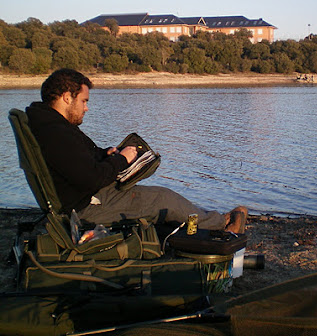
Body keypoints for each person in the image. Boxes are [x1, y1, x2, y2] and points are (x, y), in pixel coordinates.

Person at [26, 68, 247, 233]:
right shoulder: (56, 132)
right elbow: (91, 178)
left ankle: (211, 218)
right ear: (67, 97)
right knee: (162, 199)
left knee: (157, 194)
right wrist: (122, 160)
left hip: (87, 197)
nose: (86, 107)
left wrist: (105, 154)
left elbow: (77, 163)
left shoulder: (49, 125)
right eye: (83, 101)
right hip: (86, 208)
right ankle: (222, 224)